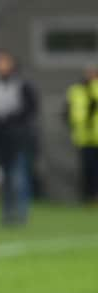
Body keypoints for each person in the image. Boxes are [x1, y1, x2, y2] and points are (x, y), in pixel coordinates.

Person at [0, 50, 38, 225]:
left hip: (19, 137)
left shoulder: (22, 84)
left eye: (3, 62)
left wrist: (12, 120)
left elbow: (30, 109)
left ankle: (21, 213)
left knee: (19, 176)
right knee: (5, 178)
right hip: (1, 139)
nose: (0, 65)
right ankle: (7, 213)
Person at [65, 66, 98, 203]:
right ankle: (90, 197)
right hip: (83, 137)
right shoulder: (75, 90)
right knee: (87, 169)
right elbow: (68, 111)